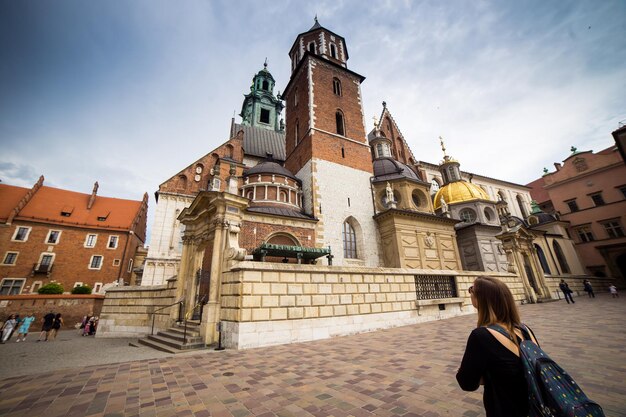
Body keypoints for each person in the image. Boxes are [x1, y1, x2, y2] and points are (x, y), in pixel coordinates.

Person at [456, 276, 539, 417]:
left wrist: (482, 376)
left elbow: (467, 383)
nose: (470, 293)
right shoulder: (525, 330)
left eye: (472, 290)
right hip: (537, 408)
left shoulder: (481, 336)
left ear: (481, 298)